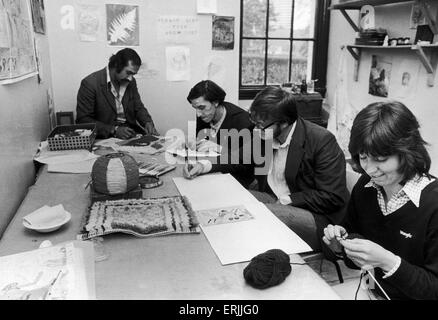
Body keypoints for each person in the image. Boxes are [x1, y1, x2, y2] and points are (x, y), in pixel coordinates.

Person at [184, 86, 349, 251]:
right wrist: (203, 166)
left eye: (261, 126)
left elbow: (332, 196)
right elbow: (239, 157)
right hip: (274, 199)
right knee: (229, 199)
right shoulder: (265, 132)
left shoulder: (322, 141)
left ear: (284, 122)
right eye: (255, 124)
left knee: (252, 215)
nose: (256, 130)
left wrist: (288, 199)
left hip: (315, 215)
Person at [323, 101, 438, 300]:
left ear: (407, 151)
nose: (369, 169)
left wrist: (387, 262)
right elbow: (354, 255)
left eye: (381, 159)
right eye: (364, 157)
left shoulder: (433, 205)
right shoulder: (366, 187)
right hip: (370, 292)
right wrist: (340, 247)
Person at [76, 48, 158, 139]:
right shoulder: (90, 83)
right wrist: (113, 130)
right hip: (105, 138)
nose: (130, 78)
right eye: (128, 73)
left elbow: (138, 107)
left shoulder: (131, 82)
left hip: (131, 135)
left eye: (133, 75)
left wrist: (147, 122)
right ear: (117, 65)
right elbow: (83, 121)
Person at [185, 80, 254, 186]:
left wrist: (219, 148)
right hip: (210, 169)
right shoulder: (205, 114)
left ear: (216, 102)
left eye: (201, 107)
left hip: (235, 178)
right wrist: (195, 143)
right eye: (195, 108)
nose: (198, 114)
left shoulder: (244, 122)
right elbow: (203, 144)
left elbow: (244, 163)